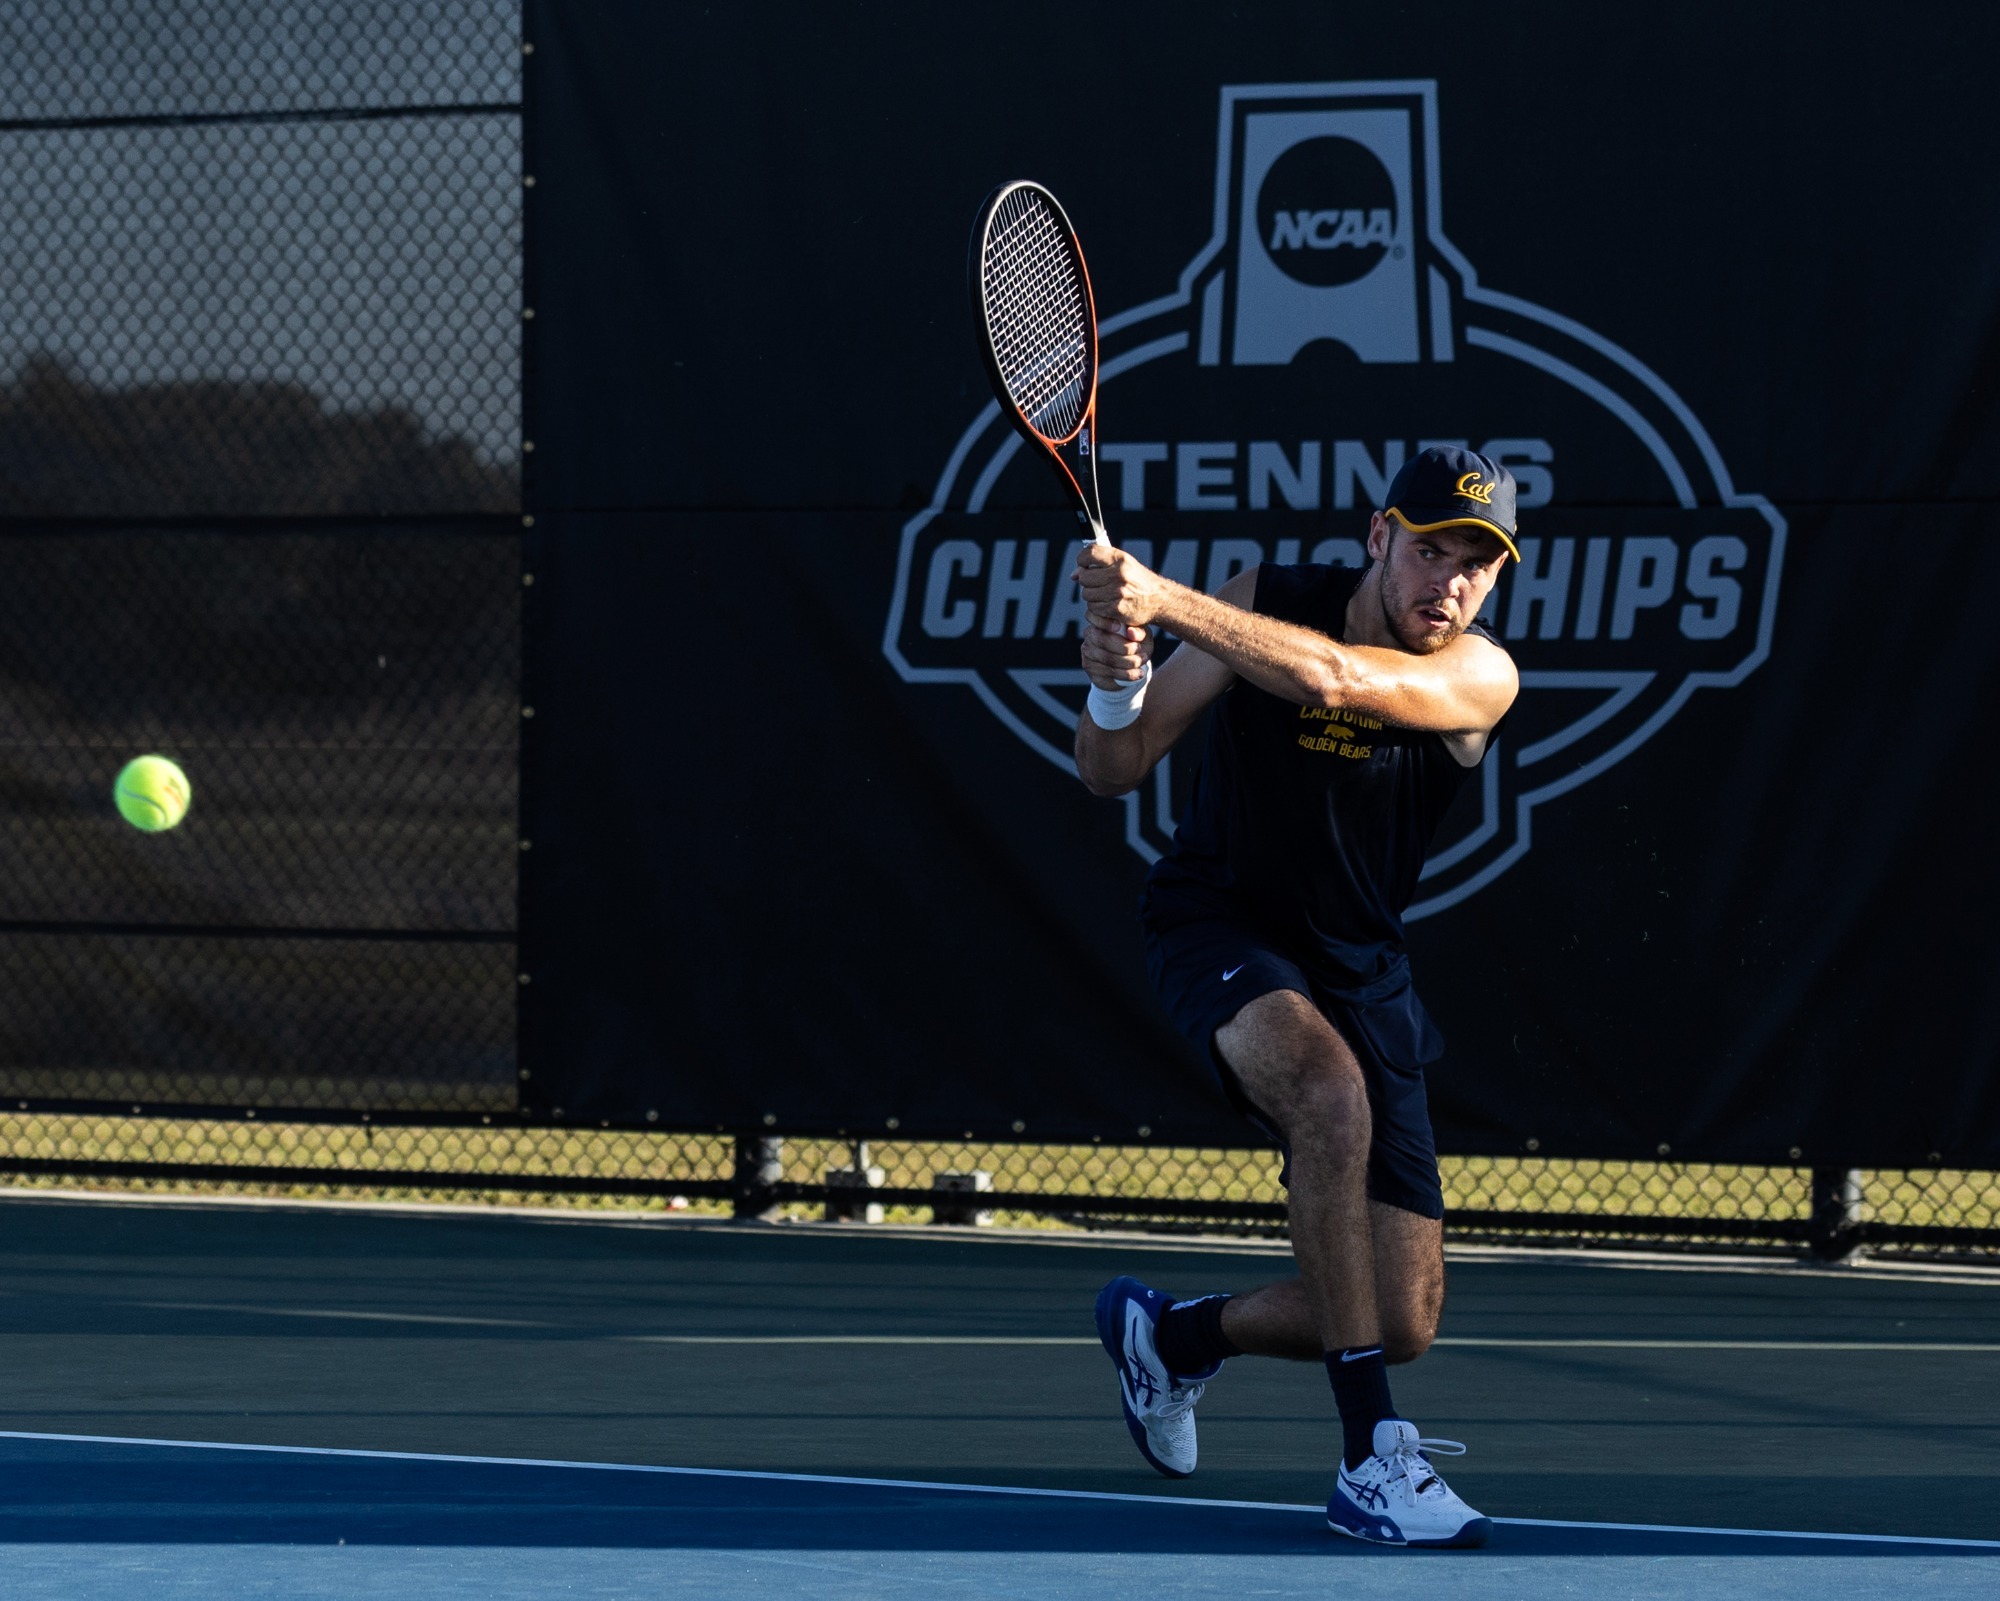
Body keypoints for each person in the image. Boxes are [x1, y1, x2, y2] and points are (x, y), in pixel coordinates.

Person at [1071, 444, 1521, 1549]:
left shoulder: (1479, 675)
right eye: (1428, 550)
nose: (1447, 584)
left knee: (1399, 1315)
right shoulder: (1261, 598)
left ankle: (1172, 1338)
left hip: (1361, 965)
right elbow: (1110, 766)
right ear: (1378, 536)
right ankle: (1371, 1459)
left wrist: (1157, 597)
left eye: (1474, 565)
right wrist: (1112, 670)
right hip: (1217, 922)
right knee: (1327, 1098)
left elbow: (1335, 681)